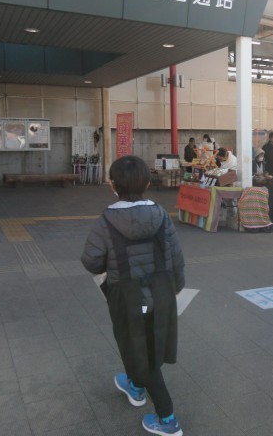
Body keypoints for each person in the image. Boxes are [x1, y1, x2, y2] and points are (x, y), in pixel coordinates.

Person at [81, 155, 185, 436]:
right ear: (148, 183)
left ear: (112, 185)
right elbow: (176, 257)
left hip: (128, 298)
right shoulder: (161, 215)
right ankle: (135, 386)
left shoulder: (106, 220)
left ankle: (168, 420)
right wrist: (175, 289)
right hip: (161, 293)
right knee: (139, 343)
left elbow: (91, 261)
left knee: (143, 353)